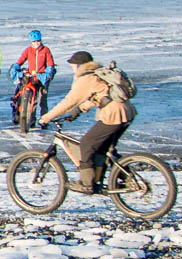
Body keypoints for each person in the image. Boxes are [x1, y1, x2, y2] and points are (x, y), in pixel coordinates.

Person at [40, 51, 136, 192]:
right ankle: (127, 178)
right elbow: (100, 96)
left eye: (73, 65)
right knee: (105, 150)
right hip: (126, 112)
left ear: (79, 65)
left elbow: (69, 101)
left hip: (113, 114)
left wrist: (46, 117)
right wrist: (79, 110)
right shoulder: (98, 74)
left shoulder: (86, 78)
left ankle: (87, 184)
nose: (73, 69)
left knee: (87, 144)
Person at [10, 30, 58, 119]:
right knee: (32, 99)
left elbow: (50, 63)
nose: (36, 43)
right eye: (34, 41)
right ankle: (31, 121)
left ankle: (44, 120)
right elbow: (21, 60)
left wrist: (48, 72)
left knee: (42, 100)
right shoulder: (28, 50)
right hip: (32, 77)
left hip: (42, 77)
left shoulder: (45, 50)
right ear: (31, 41)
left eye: (38, 41)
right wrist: (16, 67)